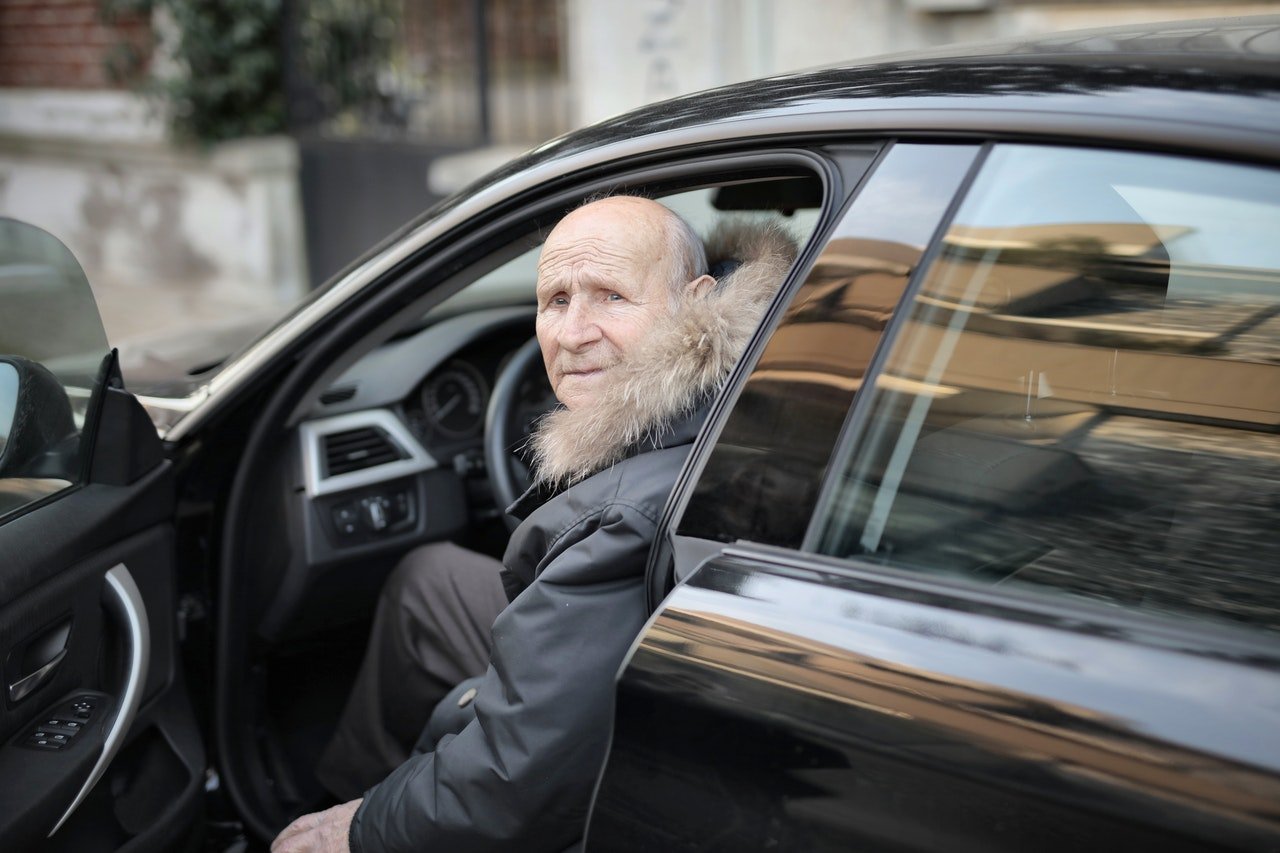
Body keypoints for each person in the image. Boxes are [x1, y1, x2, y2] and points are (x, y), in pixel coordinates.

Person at [272, 195, 796, 853]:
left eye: (610, 296)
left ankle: (339, 815)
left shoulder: (623, 518)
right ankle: (355, 787)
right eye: (555, 300)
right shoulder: (757, 380)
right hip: (679, 678)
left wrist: (365, 827)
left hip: (636, 762)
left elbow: (515, 779)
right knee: (428, 580)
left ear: (696, 299)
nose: (573, 333)